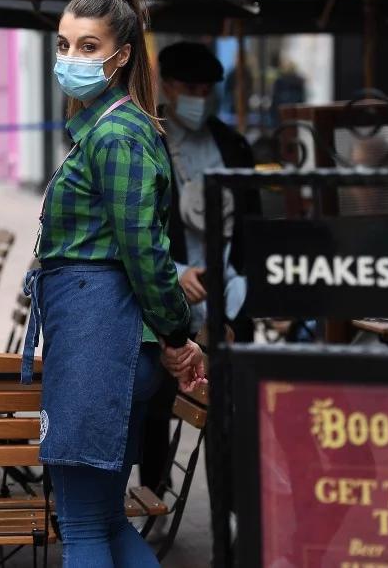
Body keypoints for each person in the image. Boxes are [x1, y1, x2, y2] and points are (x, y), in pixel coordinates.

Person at [21, 0, 205, 568]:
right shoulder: (108, 128)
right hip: (106, 340)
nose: (71, 57)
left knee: (80, 526)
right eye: (64, 45)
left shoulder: (116, 135)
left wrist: (179, 337)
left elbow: (145, 251)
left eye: (89, 46)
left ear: (122, 56)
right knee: (101, 521)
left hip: (103, 341)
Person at [137, 42, 255, 507]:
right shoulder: (148, 143)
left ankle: (228, 514)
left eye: (208, 90)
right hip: (169, 301)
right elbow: (138, 227)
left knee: (226, 413)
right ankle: (153, 498)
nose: (199, 97)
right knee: (156, 407)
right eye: (190, 87)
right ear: (165, 85)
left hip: (229, 299)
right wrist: (175, 273)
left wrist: (244, 288)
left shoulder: (233, 144)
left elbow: (251, 225)